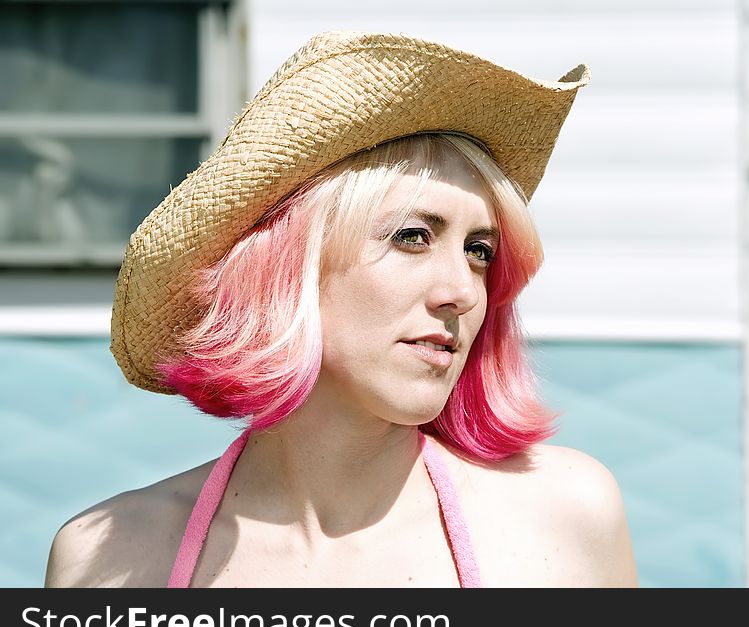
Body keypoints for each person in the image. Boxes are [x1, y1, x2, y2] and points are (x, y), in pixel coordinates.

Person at [44, 31, 637, 588]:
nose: (462, 289)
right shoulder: (113, 559)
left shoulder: (565, 517)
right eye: (412, 237)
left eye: (479, 251)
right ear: (284, 268)